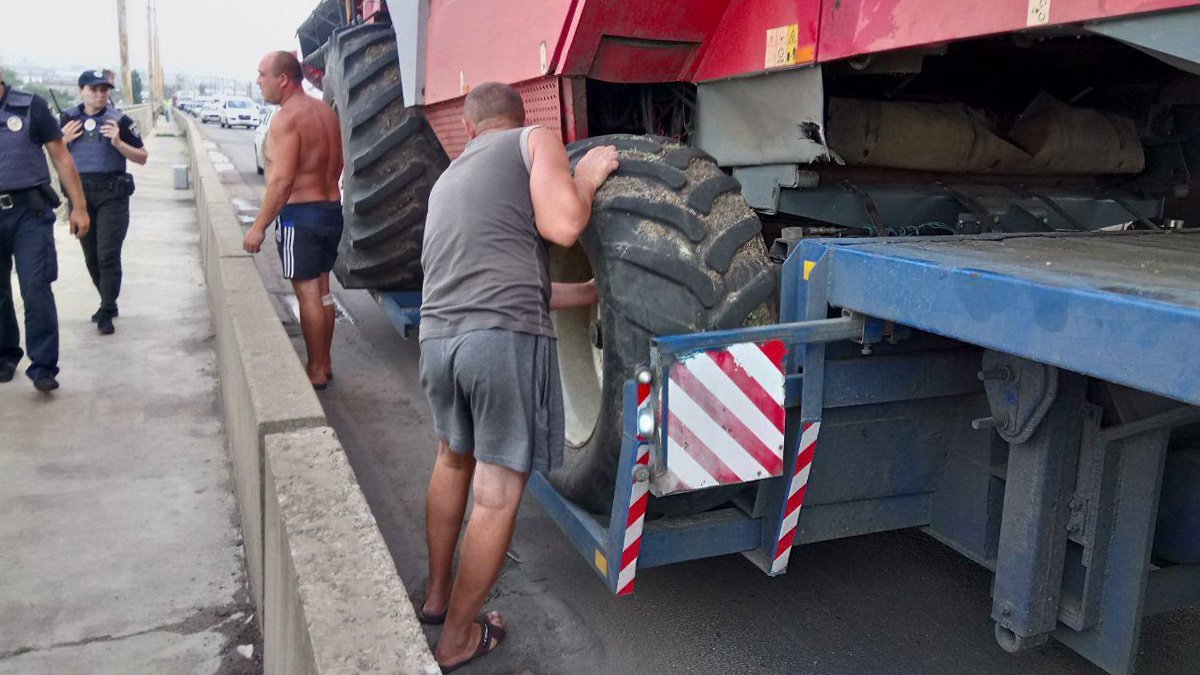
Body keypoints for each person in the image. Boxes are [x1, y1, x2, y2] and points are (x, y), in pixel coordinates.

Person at [416, 81, 618, 671]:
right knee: (498, 494)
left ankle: (436, 596)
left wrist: (585, 292)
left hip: (439, 340)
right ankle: (457, 638)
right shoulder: (533, 139)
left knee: (452, 459)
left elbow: (496, 278)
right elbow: (562, 224)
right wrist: (588, 174)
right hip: (498, 343)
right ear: (517, 116)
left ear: (471, 126)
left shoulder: (448, 180)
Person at [242, 51, 343, 389]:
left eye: (262, 75)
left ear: (282, 79)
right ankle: (325, 362)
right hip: (331, 211)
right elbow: (338, 164)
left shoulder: (286, 118)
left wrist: (258, 226)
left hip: (301, 215)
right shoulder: (325, 111)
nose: (259, 81)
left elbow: (282, 181)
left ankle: (315, 369)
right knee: (324, 292)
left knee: (308, 295)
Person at [0, 71, 91, 391]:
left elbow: (62, 158)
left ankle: (43, 366)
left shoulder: (31, 107)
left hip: (30, 212)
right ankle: (6, 354)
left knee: (35, 286)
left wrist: (78, 207)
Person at [60, 70, 148, 335]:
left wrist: (119, 143)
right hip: (80, 196)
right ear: (81, 90)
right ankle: (107, 299)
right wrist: (62, 141)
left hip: (112, 194)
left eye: (104, 90)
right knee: (91, 255)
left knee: (108, 254)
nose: (99, 95)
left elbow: (142, 156)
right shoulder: (67, 118)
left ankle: (106, 308)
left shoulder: (120, 120)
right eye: (93, 89)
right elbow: (51, 154)